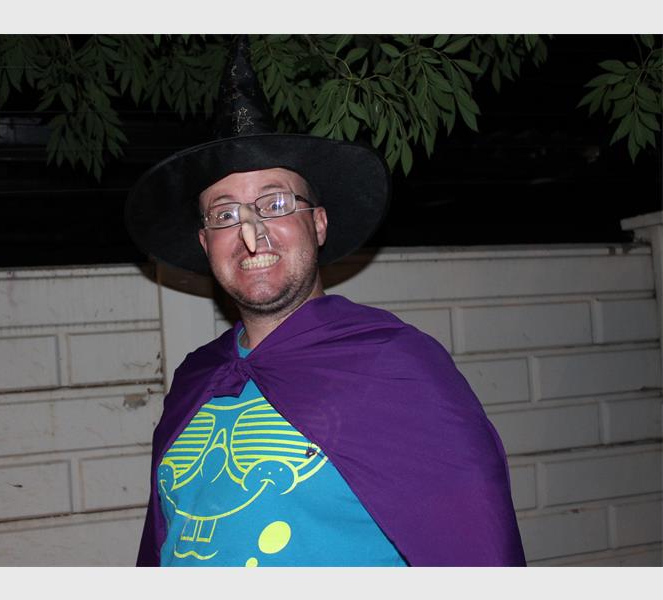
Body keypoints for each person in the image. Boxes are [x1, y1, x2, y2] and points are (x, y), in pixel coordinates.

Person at [126, 37, 525, 567]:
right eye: (224, 214)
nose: (250, 232)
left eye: (275, 203)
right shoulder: (196, 380)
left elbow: (478, 549)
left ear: (317, 224)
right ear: (205, 243)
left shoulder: (392, 366)